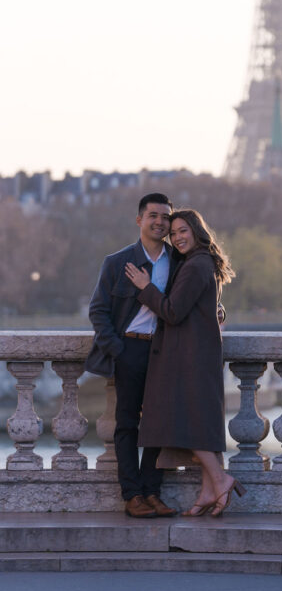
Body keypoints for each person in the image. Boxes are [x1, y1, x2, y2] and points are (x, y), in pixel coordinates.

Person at [124, 209, 245, 517]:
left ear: (196, 230)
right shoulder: (202, 262)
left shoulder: (196, 265)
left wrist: (144, 287)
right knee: (200, 423)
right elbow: (202, 304)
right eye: (173, 233)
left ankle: (220, 479)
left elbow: (174, 311)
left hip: (188, 356)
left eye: (182, 231)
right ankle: (208, 490)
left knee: (187, 423)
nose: (177, 238)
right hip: (197, 352)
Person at [85, 192, 177, 519]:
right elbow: (98, 311)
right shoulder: (116, 262)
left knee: (159, 424)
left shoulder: (178, 262)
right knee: (127, 424)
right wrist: (118, 350)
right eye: (153, 215)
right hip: (131, 349)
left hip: (165, 350)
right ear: (139, 220)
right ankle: (132, 495)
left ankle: (152, 492)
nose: (160, 222)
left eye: (165, 217)